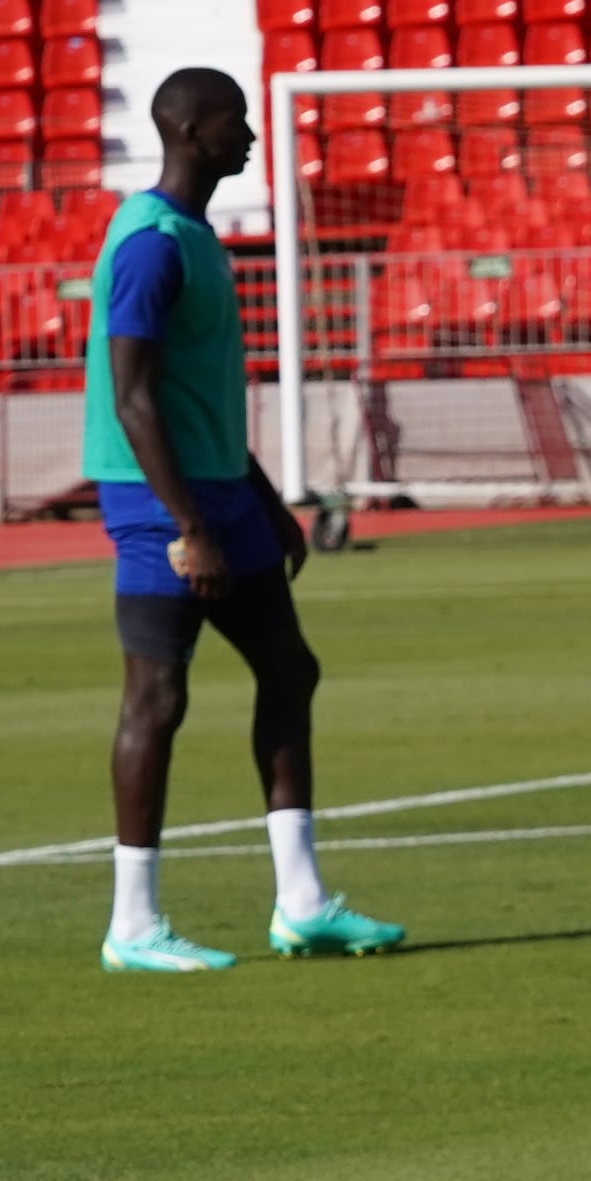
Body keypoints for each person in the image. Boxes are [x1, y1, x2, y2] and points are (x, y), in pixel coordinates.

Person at [85, 65, 404, 969]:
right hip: (161, 505)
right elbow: (135, 398)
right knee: (158, 696)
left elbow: (196, 395)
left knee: (289, 670)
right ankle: (133, 924)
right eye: (237, 122)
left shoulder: (194, 235)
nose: (253, 138)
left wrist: (262, 502)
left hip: (222, 492)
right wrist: (189, 524)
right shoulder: (149, 242)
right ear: (192, 131)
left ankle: (302, 901)